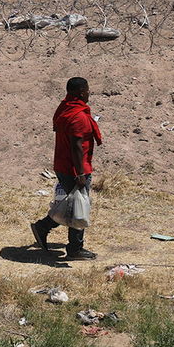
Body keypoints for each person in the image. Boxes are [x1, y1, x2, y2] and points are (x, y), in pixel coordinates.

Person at [30, 77, 102, 261]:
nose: (88, 93)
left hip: (61, 164)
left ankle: (44, 227)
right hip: (74, 167)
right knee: (79, 207)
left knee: (69, 204)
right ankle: (74, 248)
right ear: (80, 92)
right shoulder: (78, 116)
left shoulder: (65, 108)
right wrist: (80, 173)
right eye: (87, 90)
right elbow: (77, 146)